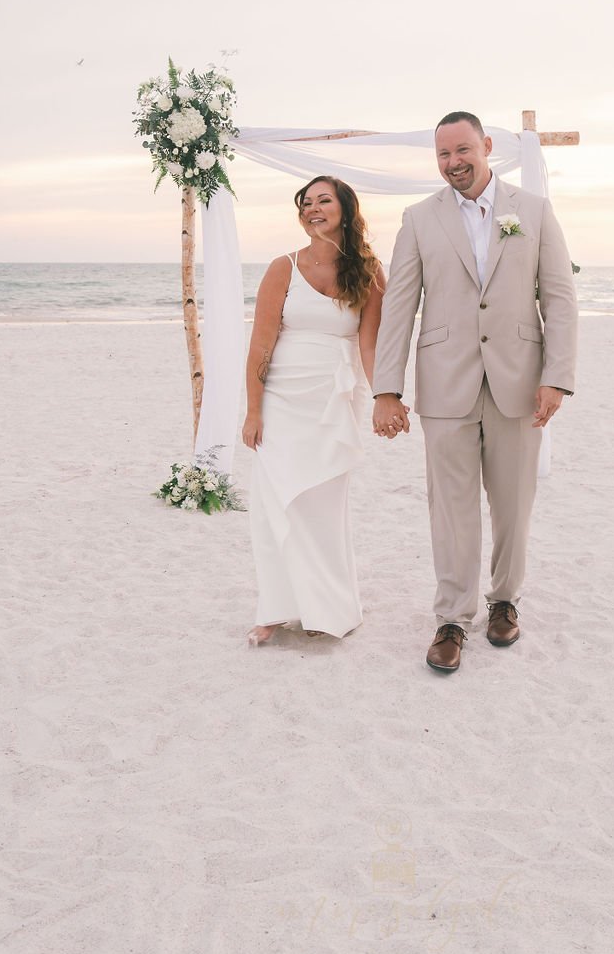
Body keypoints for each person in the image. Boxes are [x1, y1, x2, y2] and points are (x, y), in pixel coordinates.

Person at [372, 112, 577, 673]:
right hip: (444, 384)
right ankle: (452, 618)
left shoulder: (531, 211)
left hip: (519, 379)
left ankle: (504, 599)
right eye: (442, 155)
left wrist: (556, 376)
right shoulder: (418, 219)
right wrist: (385, 388)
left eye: (462, 150)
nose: (453, 163)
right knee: (450, 508)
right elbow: (399, 308)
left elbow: (558, 298)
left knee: (513, 502)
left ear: (486, 147)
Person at [243, 175, 388, 645]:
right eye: (306, 203)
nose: (313, 209)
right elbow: (260, 346)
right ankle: (275, 608)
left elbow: (369, 345)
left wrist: (386, 397)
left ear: (346, 208)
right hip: (282, 402)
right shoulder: (282, 268)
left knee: (323, 509)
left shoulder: (368, 272)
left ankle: (329, 607)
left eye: (324, 200)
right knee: (276, 505)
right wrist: (253, 410)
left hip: (333, 402)